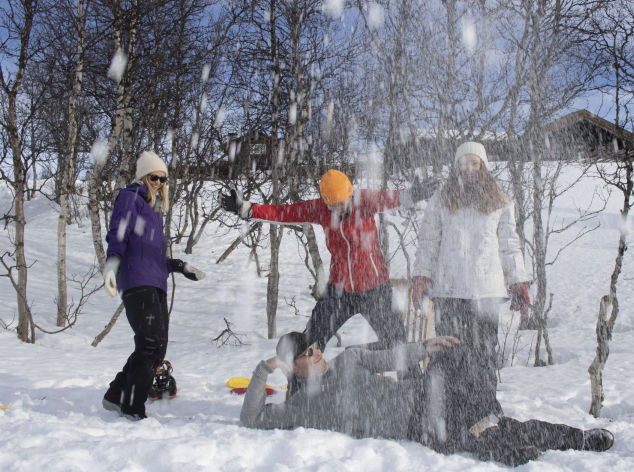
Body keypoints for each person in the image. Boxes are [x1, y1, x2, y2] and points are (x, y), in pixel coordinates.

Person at [240, 331, 614, 467]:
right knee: (497, 438)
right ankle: (563, 441)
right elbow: (251, 419)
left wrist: (423, 347)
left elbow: (390, 358)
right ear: (293, 367)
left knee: (458, 354)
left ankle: (564, 436)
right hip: (418, 426)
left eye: (316, 346)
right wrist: (263, 368)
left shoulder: (349, 359)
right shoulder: (302, 409)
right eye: (307, 353)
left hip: (423, 395)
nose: (318, 353)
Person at [220, 169, 434, 351]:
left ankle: (414, 395)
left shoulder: (364, 201)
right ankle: (300, 395)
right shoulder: (321, 209)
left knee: (399, 348)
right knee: (308, 347)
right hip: (338, 292)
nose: (338, 209)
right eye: (333, 206)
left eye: (342, 203)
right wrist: (246, 209)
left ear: (350, 194)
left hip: (376, 291)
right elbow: (284, 212)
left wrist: (414, 194)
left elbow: (392, 198)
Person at [411, 141, 531, 448]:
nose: (468, 168)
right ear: (456, 166)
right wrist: (422, 276)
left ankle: (486, 413)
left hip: (486, 292)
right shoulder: (441, 199)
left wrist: (518, 281)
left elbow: (510, 244)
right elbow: (428, 241)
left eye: (474, 163)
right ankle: (449, 416)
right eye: (463, 163)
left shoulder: (500, 200)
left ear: (484, 166)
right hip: (449, 291)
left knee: (483, 355)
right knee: (448, 354)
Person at [101, 150, 206, 420]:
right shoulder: (130, 198)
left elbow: (155, 258)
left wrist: (180, 267)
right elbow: (118, 233)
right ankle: (132, 407)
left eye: (162, 178)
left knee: (156, 348)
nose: (158, 182)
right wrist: (112, 263)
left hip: (155, 282)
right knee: (150, 345)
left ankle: (116, 394)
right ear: (143, 176)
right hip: (137, 282)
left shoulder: (153, 213)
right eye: (154, 177)